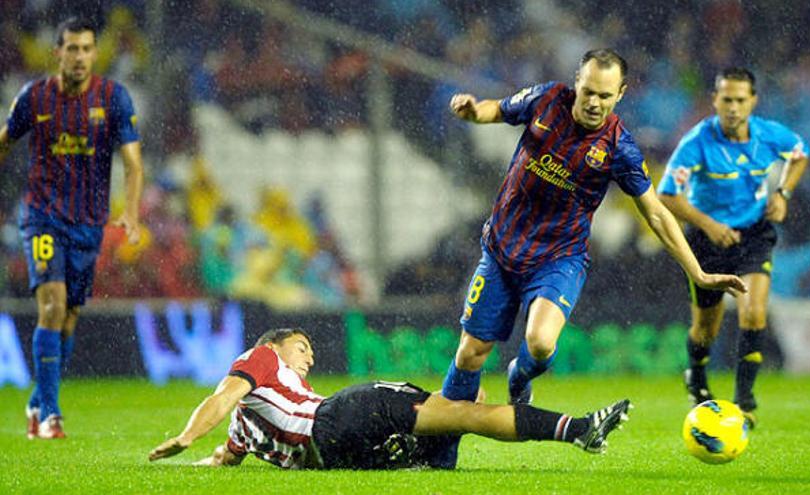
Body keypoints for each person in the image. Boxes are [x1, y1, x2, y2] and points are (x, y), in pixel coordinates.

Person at [439, 48, 746, 463]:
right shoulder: (546, 100)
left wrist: (699, 272)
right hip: (501, 251)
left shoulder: (619, 147)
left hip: (558, 259)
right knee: (470, 353)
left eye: (604, 95)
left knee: (541, 343)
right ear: (576, 83)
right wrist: (473, 111)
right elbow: (496, 109)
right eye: (587, 92)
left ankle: (520, 374)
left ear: (620, 93)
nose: (593, 103)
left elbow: (655, 212)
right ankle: (440, 452)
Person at [147, 328, 632, 470]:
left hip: (339, 456)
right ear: (274, 345)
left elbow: (227, 456)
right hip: (339, 417)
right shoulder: (260, 358)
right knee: (462, 410)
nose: (309, 358)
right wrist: (187, 436)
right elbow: (223, 396)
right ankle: (578, 429)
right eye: (302, 347)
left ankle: (463, 398)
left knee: (453, 427)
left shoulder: (255, 419)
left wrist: (201, 459)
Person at [0, 17, 144, 439]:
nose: (79, 57)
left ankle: (36, 401)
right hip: (43, 217)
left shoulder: (113, 98)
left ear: (95, 53)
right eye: (72, 49)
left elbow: (133, 164)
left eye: (86, 49)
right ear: (57, 53)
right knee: (52, 306)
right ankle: (50, 417)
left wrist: (131, 213)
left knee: (68, 318)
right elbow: (5, 141)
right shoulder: (35, 97)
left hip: (88, 223)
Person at [657, 67, 810, 428]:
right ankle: (696, 373)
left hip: (754, 235)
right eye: (726, 99)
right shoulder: (697, 141)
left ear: (753, 101)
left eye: (741, 100)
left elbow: (800, 154)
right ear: (715, 100)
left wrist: (783, 193)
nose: (733, 107)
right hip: (707, 242)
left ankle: (744, 399)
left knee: (753, 313)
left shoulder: (769, 134)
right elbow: (666, 194)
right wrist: (709, 225)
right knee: (706, 329)